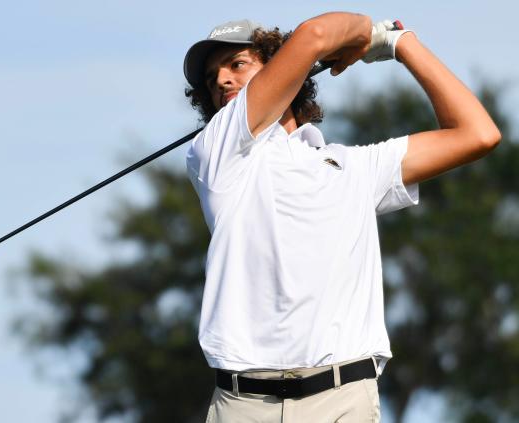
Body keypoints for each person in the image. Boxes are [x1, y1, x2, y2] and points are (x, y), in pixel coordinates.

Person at [182, 12, 501, 422]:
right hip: (244, 404)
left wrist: (402, 45)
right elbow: (315, 35)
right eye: (212, 78)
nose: (222, 80)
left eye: (237, 64)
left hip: (341, 398)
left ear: (285, 69)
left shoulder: (353, 167)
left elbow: (477, 134)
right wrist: (368, 34)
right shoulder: (216, 154)